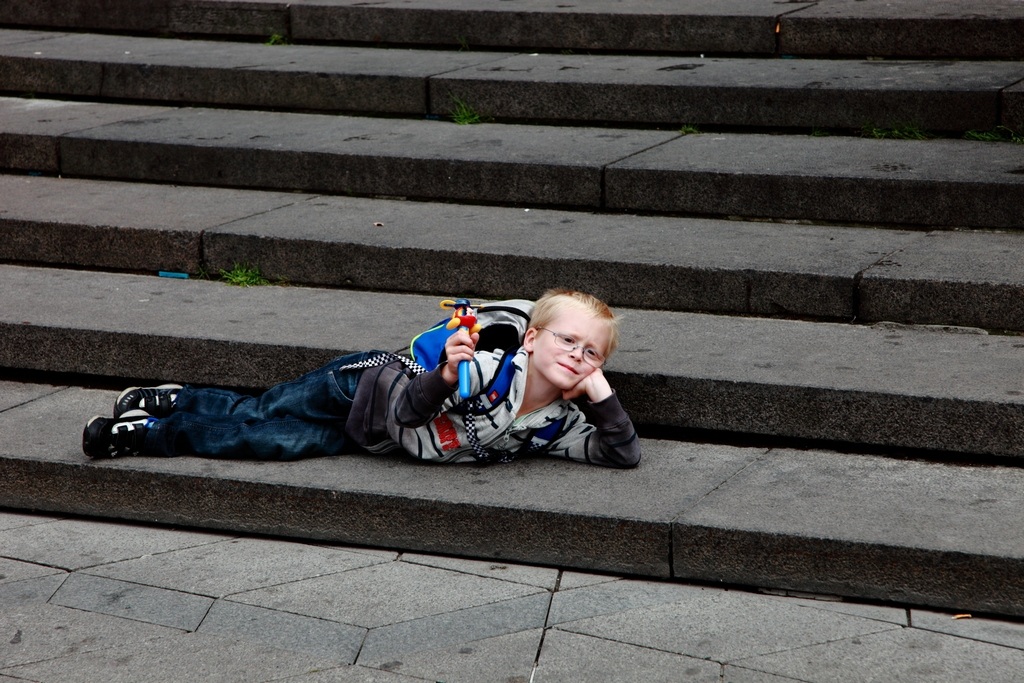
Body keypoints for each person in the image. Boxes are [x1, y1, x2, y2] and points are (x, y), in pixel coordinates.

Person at [82, 289, 640, 468]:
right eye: (567, 340)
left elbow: (620, 454)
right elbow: (410, 412)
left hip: (369, 438)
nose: (577, 355)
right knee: (264, 412)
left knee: (263, 440)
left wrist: (602, 397)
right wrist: (447, 374)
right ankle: (173, 404)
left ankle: (148, 435)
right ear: (532, 339)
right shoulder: (489, 369)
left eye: (591, 353)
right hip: (367, 387)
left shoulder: (556, 424)